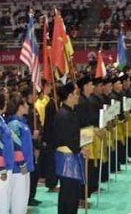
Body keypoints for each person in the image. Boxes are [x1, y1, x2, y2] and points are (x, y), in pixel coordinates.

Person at [53, 82, 87, 214]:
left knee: (72, 193)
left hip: (72, 155)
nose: (78, 96)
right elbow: (67, 137)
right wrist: (80, 149)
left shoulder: (70, 112)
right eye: (75, 94)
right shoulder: (63, 115)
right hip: (67, 159)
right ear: (69, 96)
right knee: (69, 193)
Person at [6, 93, 34, 214]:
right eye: (25, 104)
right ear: (20, 107)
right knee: (18, 201)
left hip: (24, 168)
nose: (28, 106)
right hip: (18, 170)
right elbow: (15, 147)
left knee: (22, 201)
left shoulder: (22, 123)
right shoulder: (14, 124)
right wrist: (22, 164)